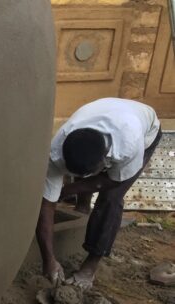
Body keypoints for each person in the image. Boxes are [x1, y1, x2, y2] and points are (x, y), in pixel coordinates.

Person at [36, 98, 161, 289]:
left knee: (111, 199)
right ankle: (82, 208)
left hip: (146, 128)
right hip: (106, 114)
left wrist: (68, 190)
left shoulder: (128, 146)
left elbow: (110, 181)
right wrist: (49, 260)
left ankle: (90, 266)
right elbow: (46, 205)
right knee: (73, 183)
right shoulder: (57, 150)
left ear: (106, 159)